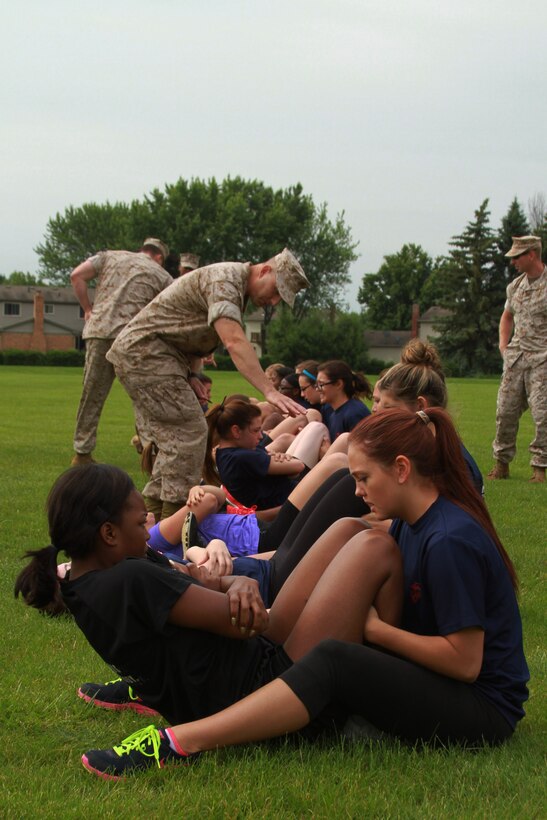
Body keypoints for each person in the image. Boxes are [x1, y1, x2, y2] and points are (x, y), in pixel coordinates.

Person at [79, 407, 529, 779]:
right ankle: (349, 702)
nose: (355, 490)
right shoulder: (416, 523)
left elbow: (466, 664)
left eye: (363, 479)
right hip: (435, 679)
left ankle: (182, 741)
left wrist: (373, 632)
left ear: (402, 469)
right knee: (350, 529)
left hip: (481, 708)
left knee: (335, 656)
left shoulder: (449, 540)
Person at [18, 463, 402, 755]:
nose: (150, 523)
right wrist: (240, 585)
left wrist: (239, 581)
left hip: (248, 664)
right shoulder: (131, 579)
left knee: (349, 530)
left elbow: (202, 578)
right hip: (267, 692)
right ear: (108, 533)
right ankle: (377, 692)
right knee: (374, 549)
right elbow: (247, 622)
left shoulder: (91, 577)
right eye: (140, 522)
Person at [106, 249, 310, 520]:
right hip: (145, 355)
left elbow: (181, 332)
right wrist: (269, 389)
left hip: (150, 355)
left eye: (278, 299)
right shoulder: (225, 281)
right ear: (264, 271)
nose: (272, 301)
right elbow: (234, 341)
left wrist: (191, 375)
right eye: (275, 291)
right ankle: (173, 530)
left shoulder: (234, 287)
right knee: (190, 433)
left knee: (171, 442)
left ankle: (152, 527)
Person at [70, 238, 172, 465]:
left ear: (142, 249)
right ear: (159, 257)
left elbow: (76, 276)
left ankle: (82, 452)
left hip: (99, 332)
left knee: (92, 395)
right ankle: (149, 453)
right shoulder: (162, 275)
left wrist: (88, 309)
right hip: (133, 339)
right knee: (143, 397)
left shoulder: (109, 256)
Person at [488, 235, 547, 483]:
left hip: (542, 359)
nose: (513, 261)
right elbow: (507, 316)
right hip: (515, 359)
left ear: (531, 254)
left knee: (544, 415)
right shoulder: (514, 287)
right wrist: (503, 345)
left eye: (517, 257)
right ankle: (501, 465)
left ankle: (539, 469)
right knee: (505, 412)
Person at [316, 360, 372, 440]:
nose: (317, 389)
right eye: (317, 385)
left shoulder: (354, 414)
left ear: (339, 384)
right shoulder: (333, 412)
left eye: (321, 384)